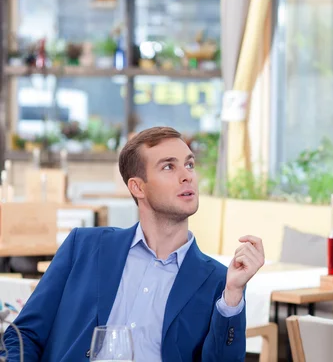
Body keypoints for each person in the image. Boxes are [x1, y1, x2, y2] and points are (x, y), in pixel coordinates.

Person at [2, 126, 264, 361]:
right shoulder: (83, 247)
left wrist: (232, 296)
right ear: (138, 187)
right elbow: (22, 335)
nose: (187, 176)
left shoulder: (218, 279)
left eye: (190, 165)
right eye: (168, 167)